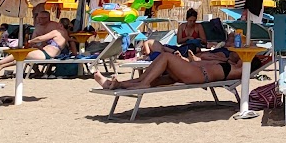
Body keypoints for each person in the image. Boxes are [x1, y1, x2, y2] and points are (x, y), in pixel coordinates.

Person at [94, 43, 241, 91]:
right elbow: (197, 59)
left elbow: (244, 69)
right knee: (155, 80)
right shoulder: (223, 58)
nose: (234, 49)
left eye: (238, 50)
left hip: (198, 75)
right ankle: (115, 84)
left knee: (165, 57)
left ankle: (143, 83)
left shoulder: (236, 69)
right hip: (191, 71)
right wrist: (183, 59)